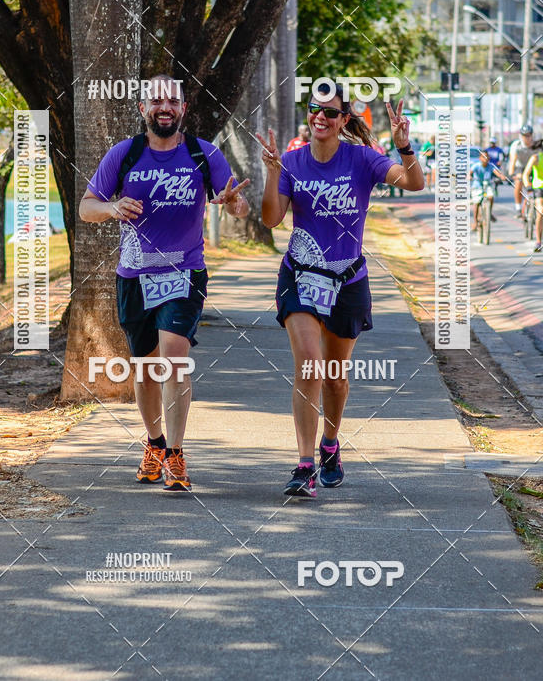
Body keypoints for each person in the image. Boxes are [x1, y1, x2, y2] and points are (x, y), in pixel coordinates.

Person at [80, 75, 249, 492]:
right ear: (143, 108)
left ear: (183, 109)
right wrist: (113, 206)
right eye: (156, 100)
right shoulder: (124, 154)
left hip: (184, 272)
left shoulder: (203, 154)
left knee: (174, 359)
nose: (164, 106)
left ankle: (175, 453)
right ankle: (154, 443)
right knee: (146, 367)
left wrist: (234, 203)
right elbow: (86, 209)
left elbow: (238, 206)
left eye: (172, 100)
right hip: (135, 275)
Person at [257, 85, 424, 499]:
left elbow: (414, 183)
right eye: (314, 109)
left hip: (348, 280)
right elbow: (271, 220)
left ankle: (330, 444)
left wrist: (404, 147)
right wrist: (273, 171)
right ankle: (303, 464)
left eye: (330, 113)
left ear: (344, 120)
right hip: (301, 276)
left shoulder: (362, 159)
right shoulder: (292, 162)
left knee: (334, 376)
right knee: (310, 367)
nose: (320, 118)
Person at [508, 124, 538, 218]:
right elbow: (512, 161)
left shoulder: (537, 145)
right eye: (524, 135)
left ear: (532, 135)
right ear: (521, 136)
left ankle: (533, 204)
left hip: (533, 167)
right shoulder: (516, 145)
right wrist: (511, 173)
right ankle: (518, 208)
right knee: (518, 182)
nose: (527, 138)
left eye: (529, 135)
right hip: (520, 167)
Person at [470, 151, 503, 231]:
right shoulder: (476, 166)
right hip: (477, 185)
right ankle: (475, 221)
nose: (485, 159)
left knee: (491, 196)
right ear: (480, 158)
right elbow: (470, 173)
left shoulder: (490, 166)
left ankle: (489, 213)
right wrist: (469, 177)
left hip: (487, 185)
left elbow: (498, 173)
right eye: (484, 157)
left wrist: (502, 177)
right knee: (476, 202)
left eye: (487, 157)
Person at [522, 145, 543, 252]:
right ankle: (538, 241)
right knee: (541, 211)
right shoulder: (536, 158)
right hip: (539, 187)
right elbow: (525, 174)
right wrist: (528, 186)